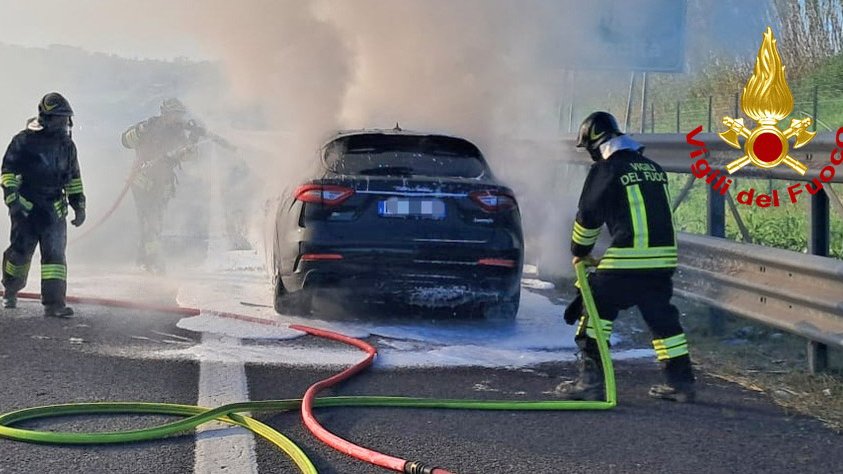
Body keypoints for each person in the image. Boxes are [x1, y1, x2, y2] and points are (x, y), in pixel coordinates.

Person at [556, 111, 696, 402]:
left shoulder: (606, 170)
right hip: (661, 261)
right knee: (662, 321)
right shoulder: (653, 167)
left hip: (628, 260)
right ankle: (681, 383)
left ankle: (590, 383)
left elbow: (588, 217)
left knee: (594, 311)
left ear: (597, 143)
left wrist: (579, 252)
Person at [1, 93, 86, 317]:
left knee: (55, 257)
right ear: (46, 118)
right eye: (59, 119)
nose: (64, 124)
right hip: (27, 207)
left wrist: (79, 205)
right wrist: (13, 201)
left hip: (53, 208)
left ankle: (54, 304)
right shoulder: (23, 141)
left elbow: (74, 178)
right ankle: (10, 288)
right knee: (20, 255)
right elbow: (7, 173)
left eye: (66, 119)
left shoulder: (67, 146)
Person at [121, 98, 206, 273]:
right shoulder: (150, 128)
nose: (177, 119)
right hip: (143, 184)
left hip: (162, 186)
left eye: (179, 115)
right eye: (175, 115)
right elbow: (125, 141)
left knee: (153, 223)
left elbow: (190, 156)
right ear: (165, 114)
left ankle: (145, 260)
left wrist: (193, 140)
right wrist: (140, 130)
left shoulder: (178, 134)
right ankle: (153, 262)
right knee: (151, 223)